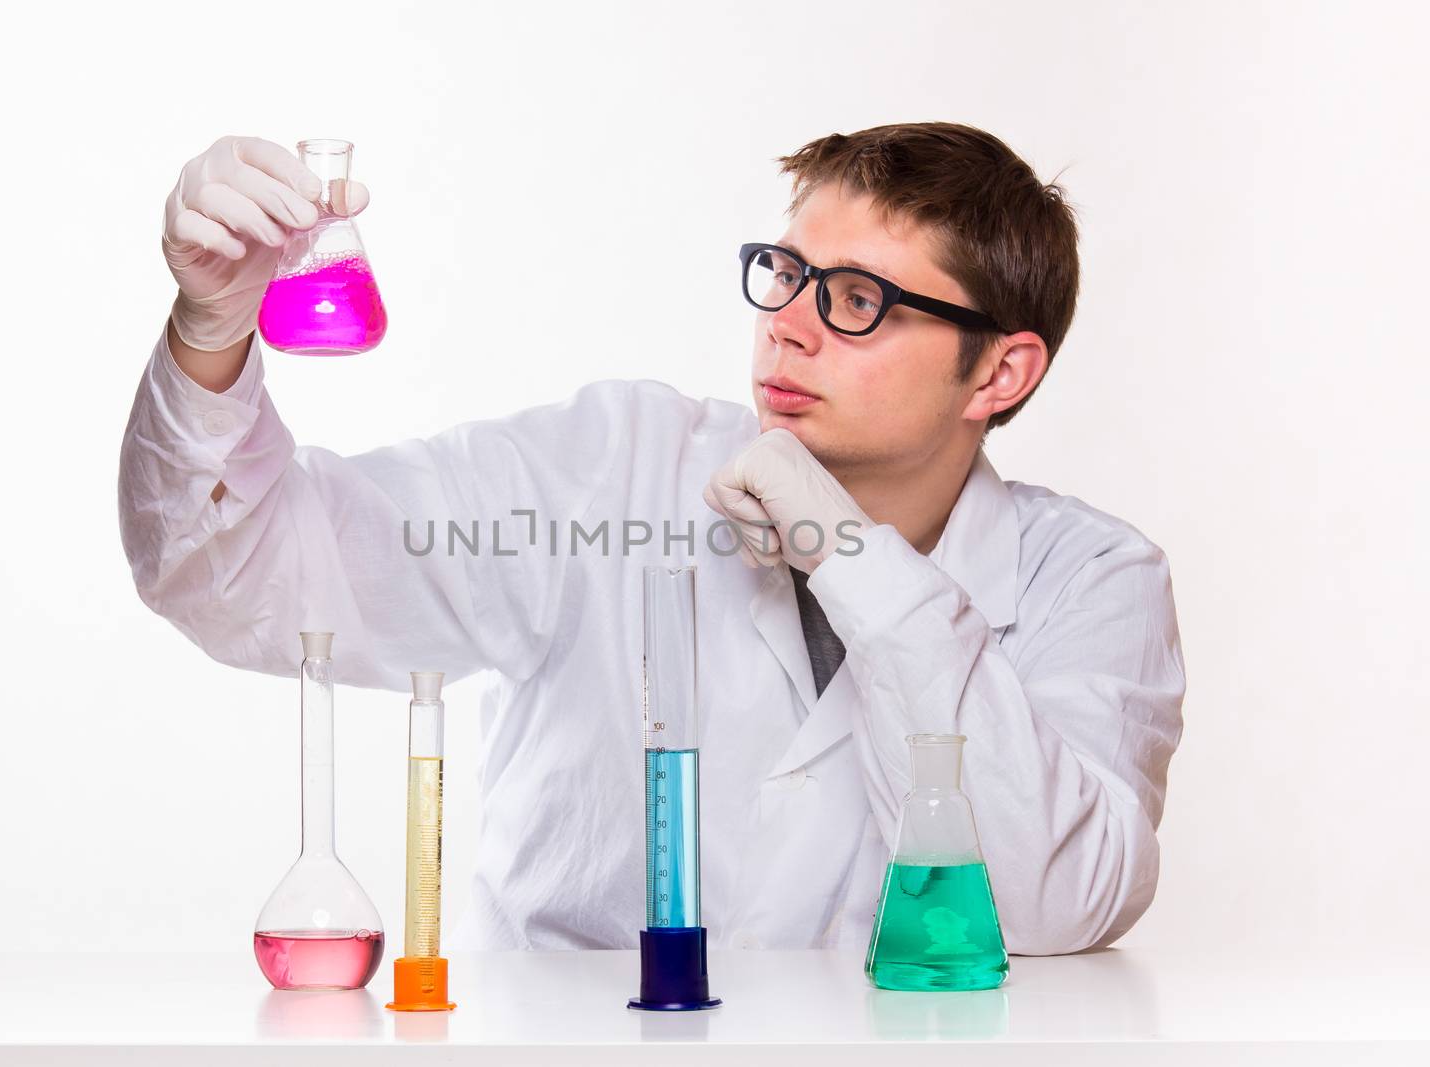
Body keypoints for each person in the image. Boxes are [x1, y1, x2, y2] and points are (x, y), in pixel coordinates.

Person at [119, 123, 1185, 956]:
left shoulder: (1089, 580)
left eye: (857, 300)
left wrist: (845, 549)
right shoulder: (607, 468)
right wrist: (211, 328)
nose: (790, 324)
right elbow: (236, 573)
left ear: (1000, 373)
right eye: (786, 272)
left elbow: (1054, 904)